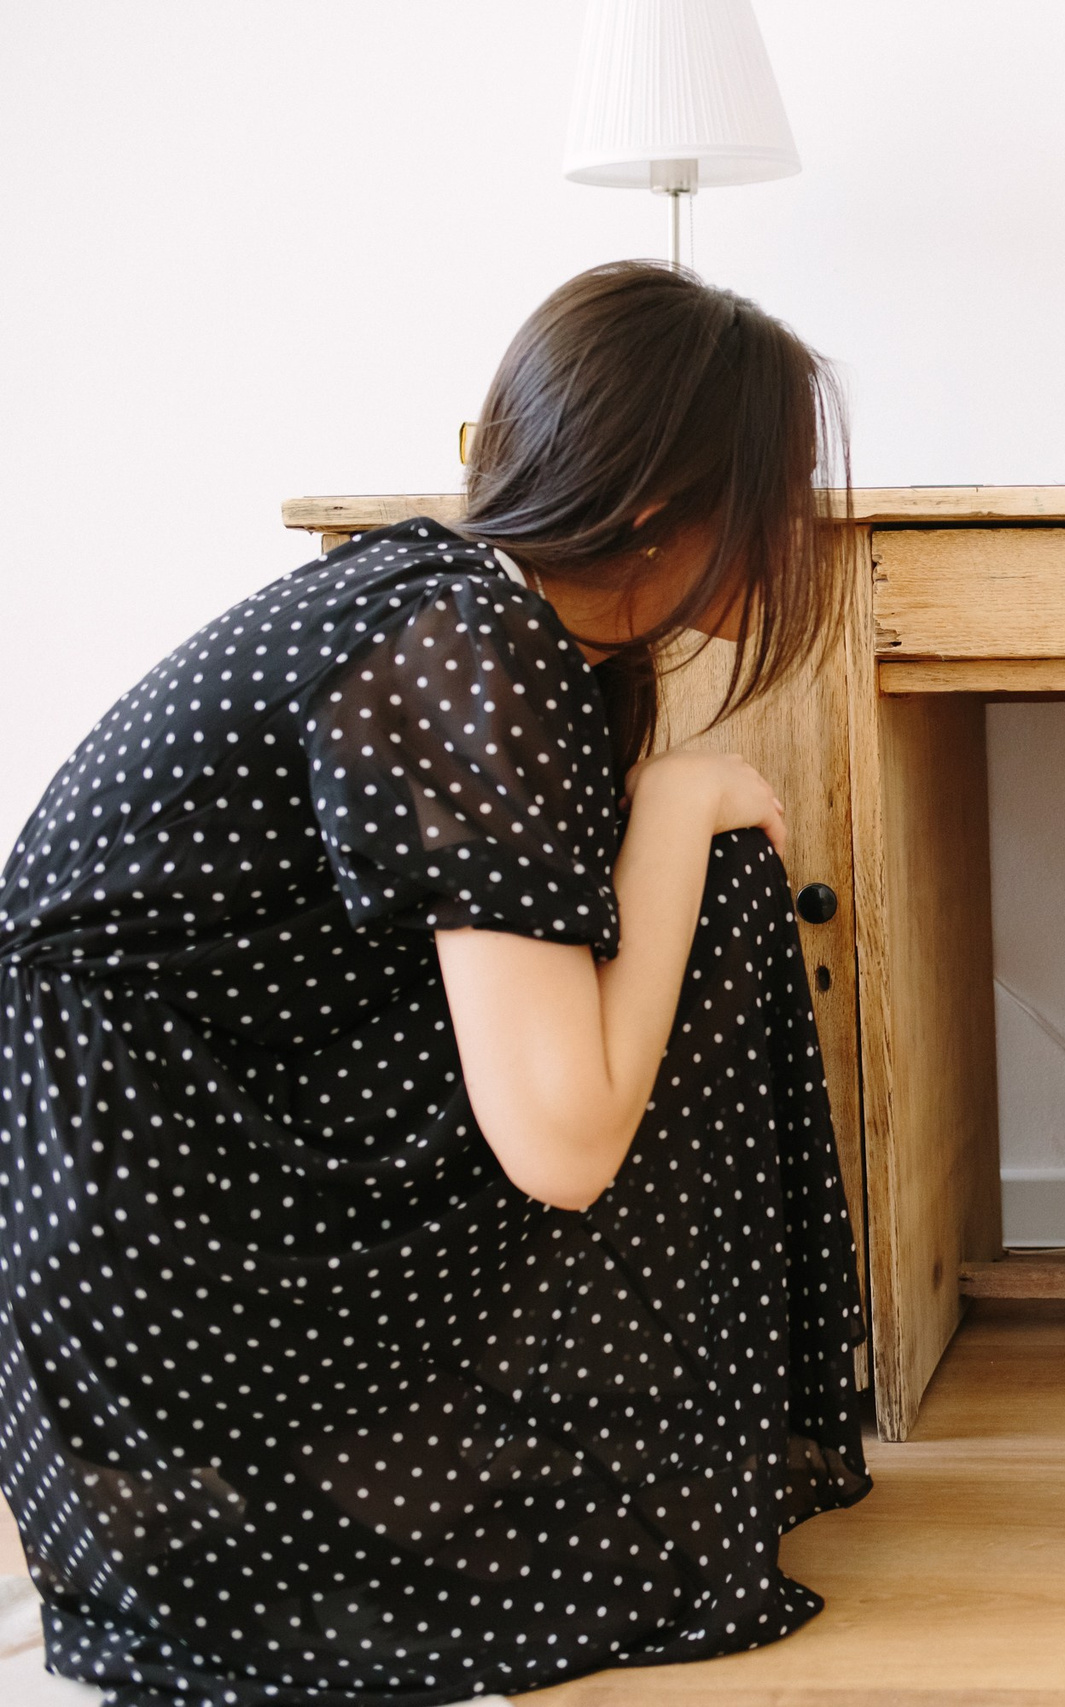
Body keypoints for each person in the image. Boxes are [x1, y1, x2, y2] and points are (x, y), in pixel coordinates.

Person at [0, 262, 870, 1705]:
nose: (800, 526)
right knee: (698, 879)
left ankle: (622, 1447)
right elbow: (565, 1143)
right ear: (659, 502)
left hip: (210, 1155)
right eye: (776, 489)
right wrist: (671, 804)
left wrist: (666, 810)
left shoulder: (482, 613)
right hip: (160, 1236)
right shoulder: (459, 635)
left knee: (699, 892)